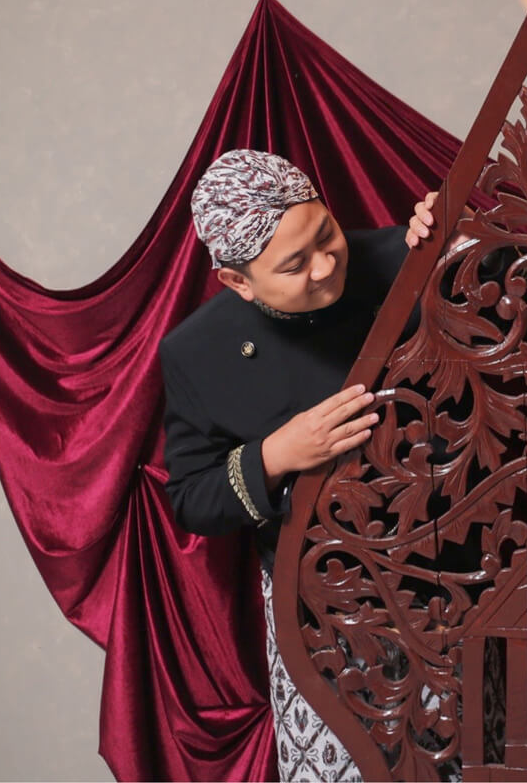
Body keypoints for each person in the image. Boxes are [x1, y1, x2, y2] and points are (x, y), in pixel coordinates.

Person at [160, 149, 442, 782]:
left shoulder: (404, 256)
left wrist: (467, 238)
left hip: (443, 573)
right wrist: (275, 455)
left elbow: (516, 309)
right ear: (237, 281)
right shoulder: (196, 351)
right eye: (294, 265)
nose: (325, 265)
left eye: (326, 235)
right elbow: (192, 496)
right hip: (317, 602)